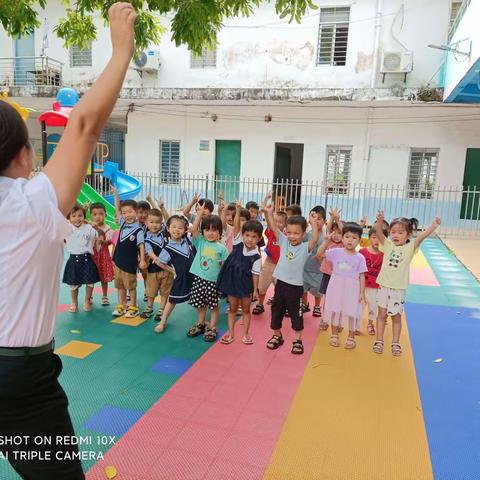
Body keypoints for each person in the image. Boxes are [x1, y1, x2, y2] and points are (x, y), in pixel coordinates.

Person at [0, 3, 137, 478]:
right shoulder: (29, 203)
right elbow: (83, 125)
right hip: (19, 379)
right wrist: (121, 50)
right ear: (24, 154)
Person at [373, 212, 441, 356]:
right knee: (381, 314)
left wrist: (432, 227)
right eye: (393, 232)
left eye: (400, 232)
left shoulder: (410, 248)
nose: (396, 235)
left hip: (398, 289)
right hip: (384, 286)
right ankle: (379, 340)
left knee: (396, 316)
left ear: (408, 235)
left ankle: (395, 342)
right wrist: (379, 221)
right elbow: (379, 233)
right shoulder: (388, 245)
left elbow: (422, 237)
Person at [263, 200, 320, 355]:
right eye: (289, 232)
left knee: (296, 315)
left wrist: (314, 223)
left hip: (295, 288)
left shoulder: (304, 247)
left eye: (296, 233)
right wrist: (268, 213)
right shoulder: (283, 241)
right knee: (276, 312)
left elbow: (314, 240)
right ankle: (277, 335)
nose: (292, 236)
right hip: (280, 285)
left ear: (303, 234)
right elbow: (274, 227)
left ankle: (297, 339)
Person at [217, 202, 263, 345]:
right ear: (242, 235)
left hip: (245, 285)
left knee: (246, 309)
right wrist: (237, 211)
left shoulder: (257, 256)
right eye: (247, 235)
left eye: (254, 236)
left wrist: (255, 290)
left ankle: (246, 334)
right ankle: (231, 334)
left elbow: (256, 274)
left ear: (259, 238)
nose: (250, 239)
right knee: (232, 308)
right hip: (232, 281)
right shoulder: (238, 242)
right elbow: (236, 226)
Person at [317, 223, 367, 349]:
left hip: (352, 288)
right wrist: (326, 241)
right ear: (343, 238)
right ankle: (334, 335)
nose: (350, 240)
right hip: (336, 286)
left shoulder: (360, 257)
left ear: (359, 240)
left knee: (351, 311)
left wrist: (362, 293)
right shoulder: (335, 252)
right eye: (347, 236)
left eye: (354, 238)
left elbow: (362, 276)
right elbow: (319, 254)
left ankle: (351, 337)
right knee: (335, 309)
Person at [186, 206, 228, 342]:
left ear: (219, 232)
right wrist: (198, 214)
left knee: (213, 305)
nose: (210, 233)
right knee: (200, 304)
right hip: (199, 280)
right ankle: (201, 323)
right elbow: (194, 229)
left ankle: (212, 326)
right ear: (203, 232)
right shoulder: (200, 242)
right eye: (207, 230)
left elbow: (225, 266)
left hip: (213, 282)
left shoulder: (221, 248)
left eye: (214, 230)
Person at [153, 215, 196, 333]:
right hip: (181, 278)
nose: (177, 230)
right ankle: (162, 321)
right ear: (168, 228)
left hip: (194, 276)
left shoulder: (188, 240)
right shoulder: (167, 249)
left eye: (180, 228)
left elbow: (195, 230)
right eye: (174, 227)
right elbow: (160, 262)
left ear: (185, 230)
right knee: (172, 301)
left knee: (199, 299)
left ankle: (201, 321)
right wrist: (172, 271)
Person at [112, 190, 147, 318]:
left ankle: (133, 306)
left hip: (130, 262)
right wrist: (116, 195)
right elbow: (116, 209)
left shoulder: (138, 229)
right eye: (124, 213)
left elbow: (141, 246)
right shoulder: (122, 223)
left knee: (130, 286)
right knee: (120, 285)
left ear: (136, 213)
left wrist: (142, 260)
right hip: (118, 261)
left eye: (130, 212)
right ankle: (121, 305)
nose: (127, 215)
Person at [63, 204, 100, 312]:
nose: (77, 218)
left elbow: (98, 235)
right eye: (73, 216)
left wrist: (94, 226)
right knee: (73, 284)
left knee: (90, 282)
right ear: (69, 218)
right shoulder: (67, 228)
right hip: (73, 260)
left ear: (84, 217)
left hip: (87, 259)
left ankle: (87, 300)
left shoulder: (89, 228)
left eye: (80, 215)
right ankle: (74, 302)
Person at [253, 205, 287, 315]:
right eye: (275, 221)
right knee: (261, 287)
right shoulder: (271, 232)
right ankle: (260, 304)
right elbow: (269, 224)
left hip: (281, 267)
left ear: (285, 224)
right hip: (269, 263)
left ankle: (281, 306)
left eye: (280, 222)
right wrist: (268, 214)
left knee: (281, 289)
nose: (277, 224)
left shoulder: (286, 236)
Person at [141, 209, 174, 321]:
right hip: (153, 268)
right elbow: (149, 252)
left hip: (167, 269)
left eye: (157, 222)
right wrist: (157, 259)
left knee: (165, 290)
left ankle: (162, 309)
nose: (154, 225)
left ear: (162, 223)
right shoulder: (146, 238)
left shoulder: (165, 232)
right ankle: (149, 307)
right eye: (151, 222)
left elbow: (169, 219)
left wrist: (162, 207)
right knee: (151, 290)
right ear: (146, 222)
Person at [359, 223, 388, 335]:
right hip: (362, 284)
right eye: (373, 237)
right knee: (359, 305)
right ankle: (356, 324)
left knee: (373, 306)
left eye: (379, 238)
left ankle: (370, 323)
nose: (376, 240)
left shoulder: (384, 254)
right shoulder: (362, 252)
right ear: (369, 238)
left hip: (376, 286)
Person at [317, 210, 343, 329]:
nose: (336, 235)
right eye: (334, 232)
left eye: (339, 233)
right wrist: (332, 218)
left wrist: (337, 220)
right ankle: (325, 319)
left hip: (340, 277)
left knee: (339, 300)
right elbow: (328, 229)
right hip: (328, 275)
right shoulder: (328, 241)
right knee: (327, 299)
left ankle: (338, 321)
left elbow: (344, 231)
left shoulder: (343, 244)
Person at [302, 205, 326, 316]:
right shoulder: (308, 235)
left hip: (318, 270)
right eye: (314, 218)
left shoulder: (326, 236)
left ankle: (317, 306)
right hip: (306, 267)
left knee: (318, 290)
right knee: (303, 288)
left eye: (319, 219)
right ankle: (304, 304)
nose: (316, 221)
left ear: (324, 221)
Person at [90, 202, 115, 305]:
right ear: (90, 216)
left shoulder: (108, 228)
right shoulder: (89, 227)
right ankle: (89, 296)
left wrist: (104, 242)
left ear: (105, 214)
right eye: (95, 214)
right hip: (92, 255)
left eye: (101, 214)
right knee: (90, 277)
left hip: (104, 256)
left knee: (104, 277)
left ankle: (105, 296)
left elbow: (111, 241)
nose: (98, 217)